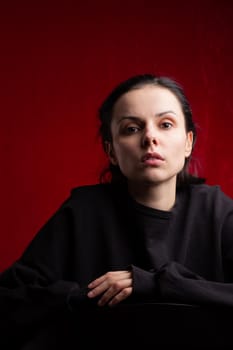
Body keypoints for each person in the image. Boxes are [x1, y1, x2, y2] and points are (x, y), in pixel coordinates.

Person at [1, 73, 233, 348]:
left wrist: (157, 284)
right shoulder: (83, 212)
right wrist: (88, 298)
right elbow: (10, 298)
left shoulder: (216, 211)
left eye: (166, 124)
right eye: (131, 129)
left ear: (188, 142)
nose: (150, 138)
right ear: (111, 151)